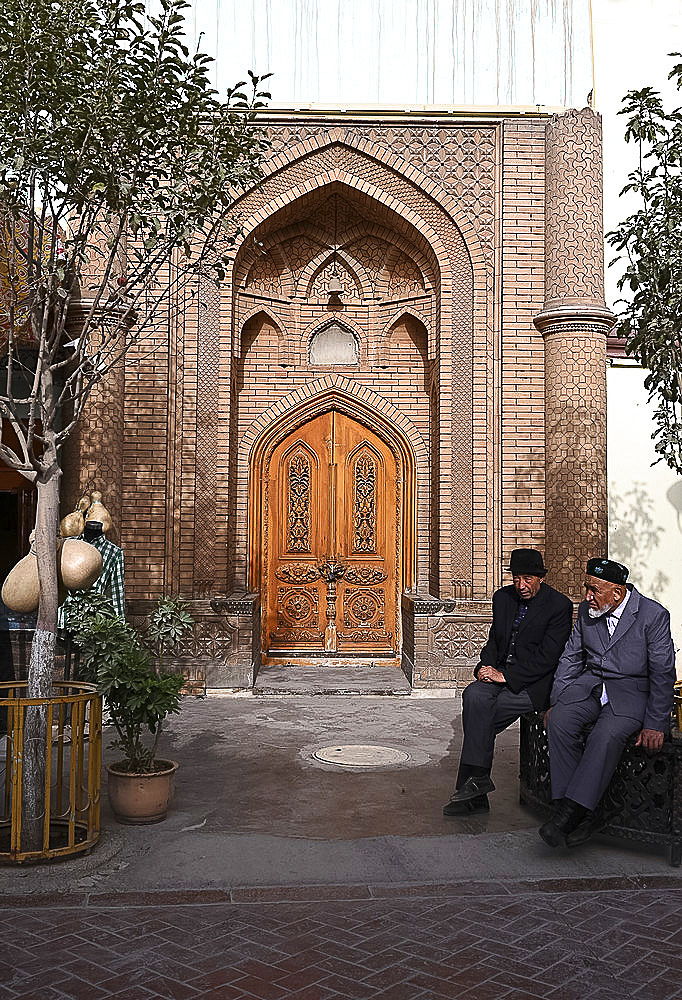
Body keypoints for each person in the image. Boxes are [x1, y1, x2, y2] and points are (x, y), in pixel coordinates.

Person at [539, 557, 676, 848]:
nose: (587, 596)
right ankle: (578, 810)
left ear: (617, 592)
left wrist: (655, 724)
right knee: (561, 721)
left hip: (631, 693)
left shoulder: (653, 616)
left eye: (594, 590)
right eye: (586, 587)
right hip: (590, 687)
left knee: (606, 734)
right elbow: (570, 659)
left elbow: (663, 673)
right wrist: (557, 701)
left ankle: (568, 816)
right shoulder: (587, 612)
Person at [443, 548, 573, 816]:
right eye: (516, 578)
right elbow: (494, 641)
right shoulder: (502, 598)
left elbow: (547, 658)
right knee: (473, 696)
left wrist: (507, 677)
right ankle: (476, 786)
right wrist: (484, 666)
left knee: (481, 717)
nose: (520, 585)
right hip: (497, 674)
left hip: (532, 684)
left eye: (527, 579)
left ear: (540, 578)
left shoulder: (559, 606)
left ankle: (473, 792)